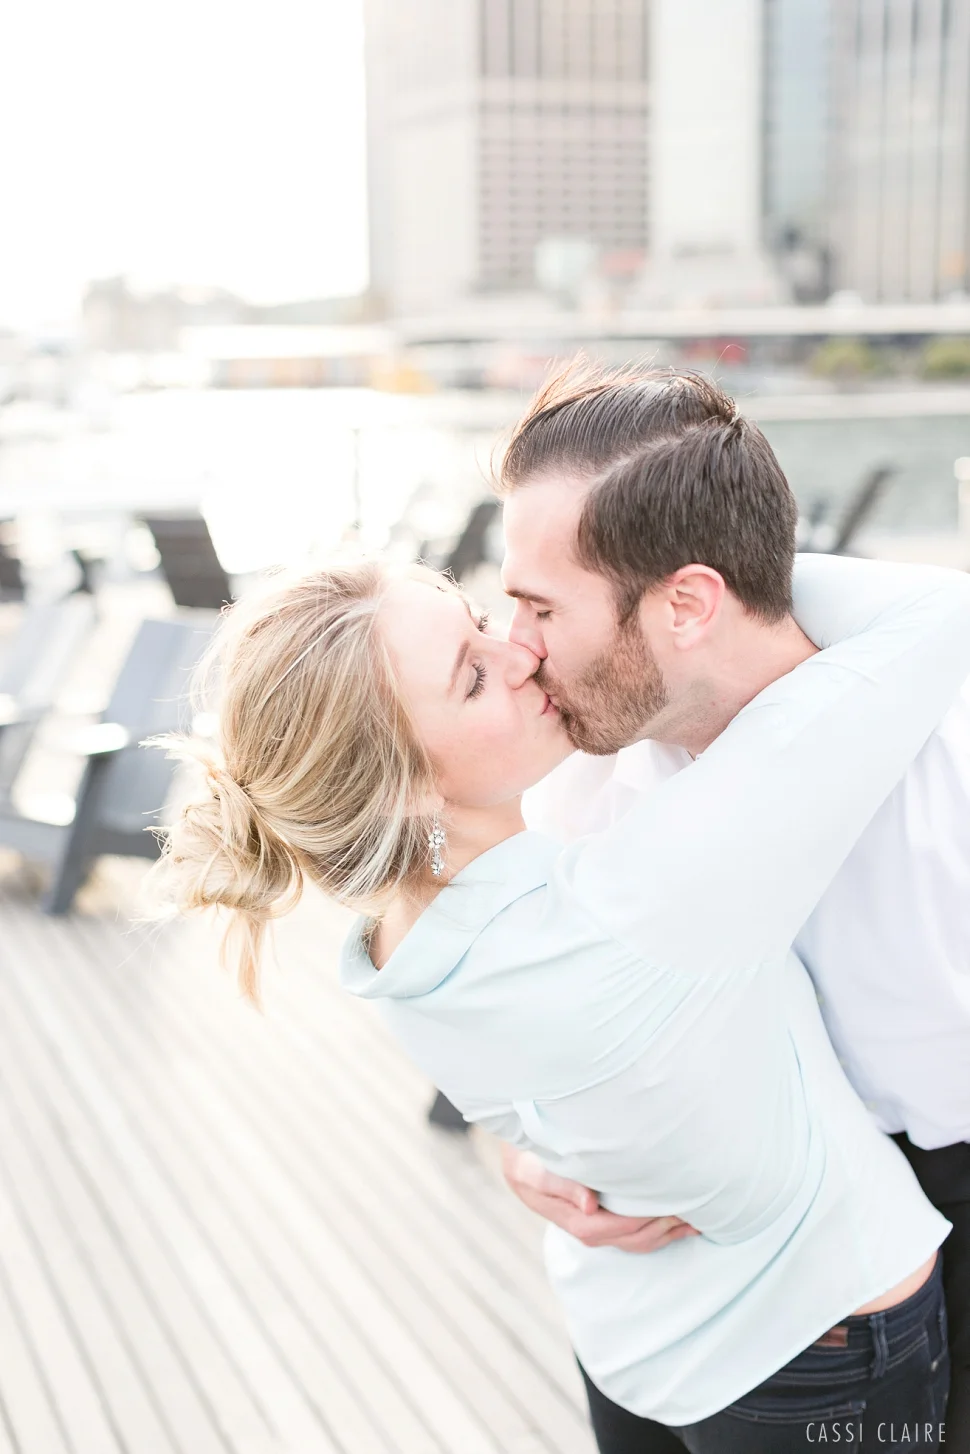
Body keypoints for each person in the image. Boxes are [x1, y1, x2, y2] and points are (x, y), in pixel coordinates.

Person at [150, 422, 970, 1451]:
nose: (519, 645)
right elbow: (938, 609)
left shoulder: (401, 931)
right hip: (817, 1342)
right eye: (475, 670)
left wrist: (552, 1145)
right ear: (405, 783)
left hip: (636, 1335)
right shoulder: (630, 884)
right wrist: (683, 564)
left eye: (502, 609)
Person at [496, 365, 970, 1450]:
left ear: (689, 602)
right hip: (658, 1311)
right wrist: (534, 1151)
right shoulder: (582, 780)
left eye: (539, 605)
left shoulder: (945, 775)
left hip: (911, 1258)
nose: (514, 644)